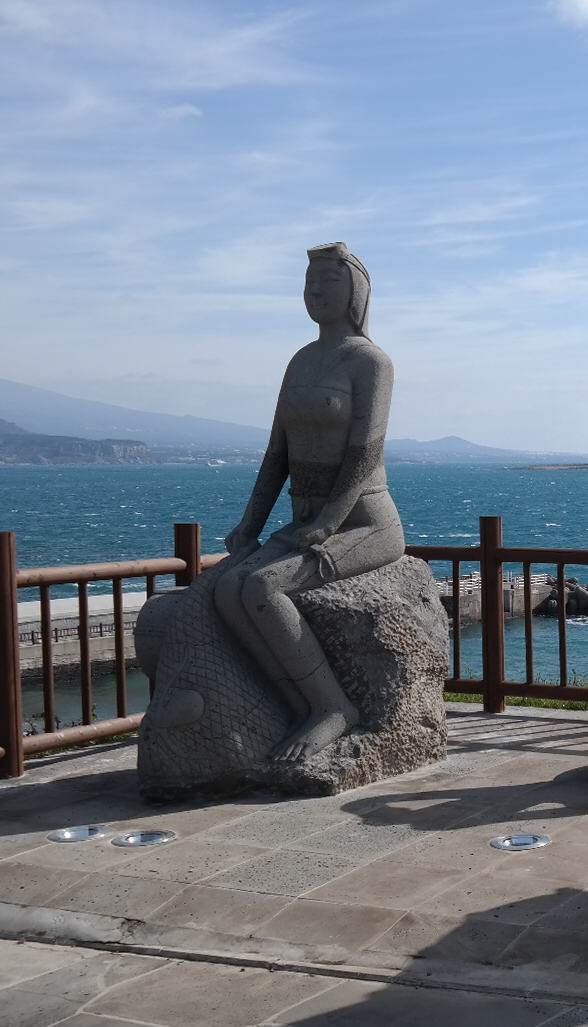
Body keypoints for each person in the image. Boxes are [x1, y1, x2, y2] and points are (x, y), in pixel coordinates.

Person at [214, 242, 405, 762]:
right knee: (228, 589)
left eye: (329, 281)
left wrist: (328, 522)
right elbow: (277, 453)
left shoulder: (371, 363)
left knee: (262, 586)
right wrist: (249, 524)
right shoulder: (300, 361)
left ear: (356, 292)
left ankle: (333, 707)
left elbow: (365, 453)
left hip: (364, 522)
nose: (316, 291)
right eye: (309, 282)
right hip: (306, 519)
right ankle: (295, 703)